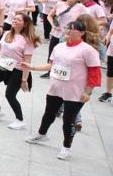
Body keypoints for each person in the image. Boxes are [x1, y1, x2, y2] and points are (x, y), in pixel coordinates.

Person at [23, 20, 102, 160]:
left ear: (82, 33)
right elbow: (51, 65)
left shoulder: (88, 50)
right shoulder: (59, 47)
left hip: (75, 92)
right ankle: (41, 134)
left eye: (73, 28)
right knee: (49, 114)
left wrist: (88, 92)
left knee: (68, 120)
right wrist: (32, 68)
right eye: (67, 27)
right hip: (56, 88)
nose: (69, 30)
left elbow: (95, 73)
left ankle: (66, 148)